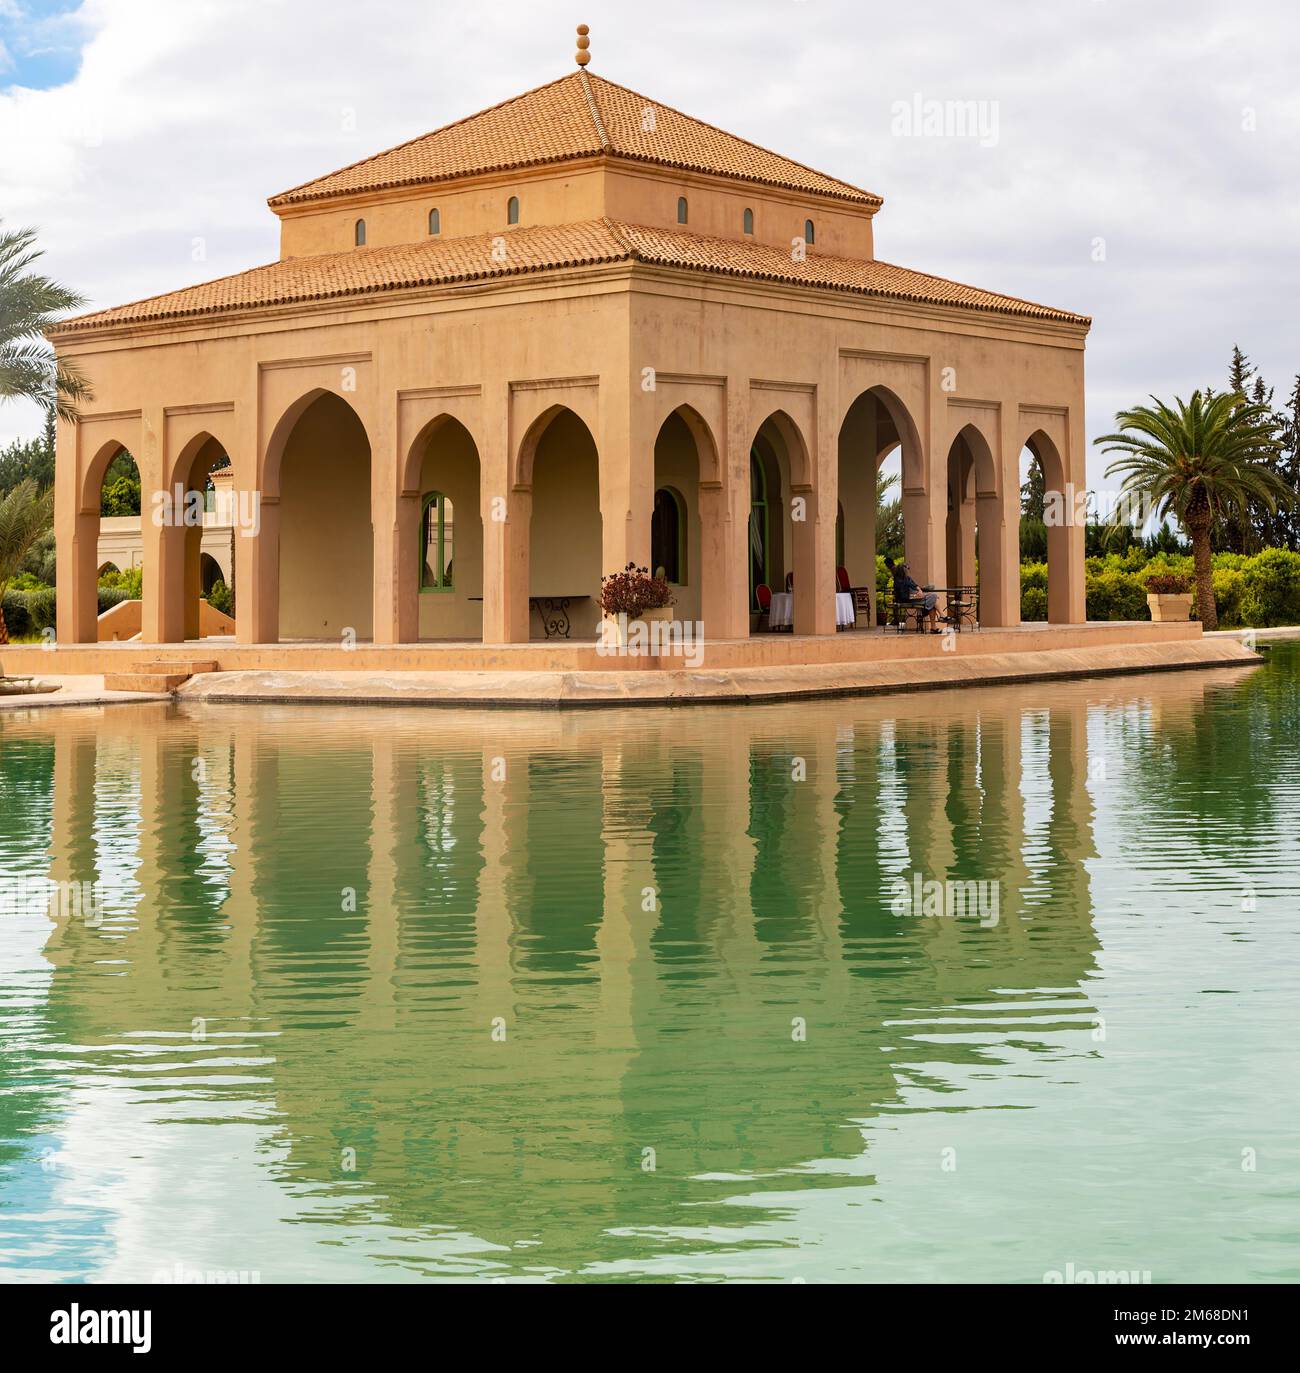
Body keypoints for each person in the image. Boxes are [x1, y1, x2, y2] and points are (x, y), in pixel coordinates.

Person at [886, 556, 939, 632]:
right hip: (907, 600)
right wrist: (916, 592)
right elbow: (907, 590)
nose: (907, 571)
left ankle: (934, 625)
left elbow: (913, 585)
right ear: (903, 570)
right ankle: (939, 618)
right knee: (934, 597)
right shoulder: (902, 579)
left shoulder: (904, 578)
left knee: (933, 600)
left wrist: (918, 590)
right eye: (906, 569)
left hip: (910, 598)